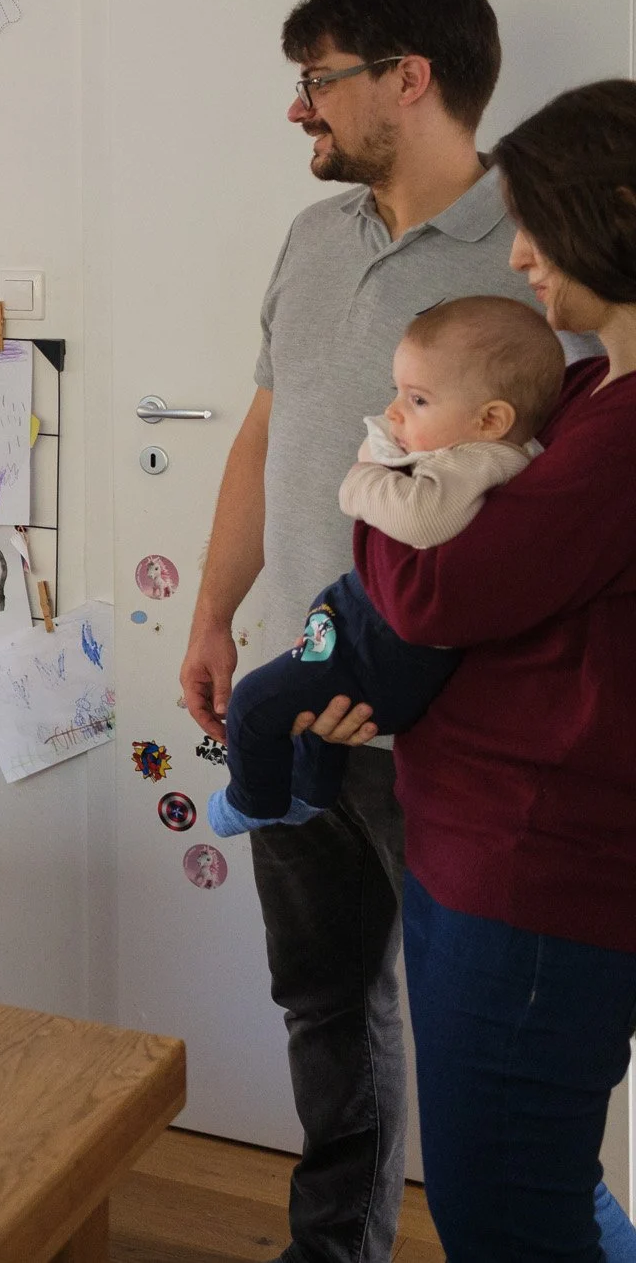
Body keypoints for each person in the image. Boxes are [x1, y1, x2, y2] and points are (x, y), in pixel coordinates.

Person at [178, 0, 558, 1263]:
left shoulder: (538, 248)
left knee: (472, 1030)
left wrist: (423, 670)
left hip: (445, 726)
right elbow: (266, 435)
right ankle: (333, 1247)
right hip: (294, 691)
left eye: (318, 80)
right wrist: (214, 616)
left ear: (409, 78)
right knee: (322, 1004)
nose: (299, 109)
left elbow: (561, 513)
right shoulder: (310, 238)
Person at [301, 78, 636, 1261]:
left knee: (503, 1213)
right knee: (528, 1187)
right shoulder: (588, 389)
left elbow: (435, 590)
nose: (520, 253)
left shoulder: (620, 431)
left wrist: (378, 483)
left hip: (537, 873)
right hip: (483, 846)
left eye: (537, 221)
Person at [206, 297, 563, 835]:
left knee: (253, 707)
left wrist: (362, 479)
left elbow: (424, 518)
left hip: (384, 648)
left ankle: (251, 802)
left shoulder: (486, 459)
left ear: (492, 419)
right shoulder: (470, 448)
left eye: (417, 399)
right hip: (364, 624)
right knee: (308, 716)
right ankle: (307, 793)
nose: (395, 411)